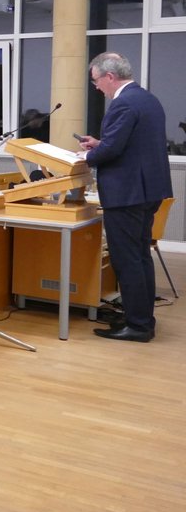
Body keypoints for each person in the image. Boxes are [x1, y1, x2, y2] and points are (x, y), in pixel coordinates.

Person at [78, 52, 172, 342]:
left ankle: (138, 326)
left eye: (96, 81)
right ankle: (141, 318)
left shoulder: (123, 103)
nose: (96, 87)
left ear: (110, 76)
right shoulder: (147, 99)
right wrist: (100, 143)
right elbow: (132, 143)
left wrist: (86, 156)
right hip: (147, 191)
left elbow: (113, 150)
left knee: (127, 259)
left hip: (128, 194)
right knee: (140, 256)